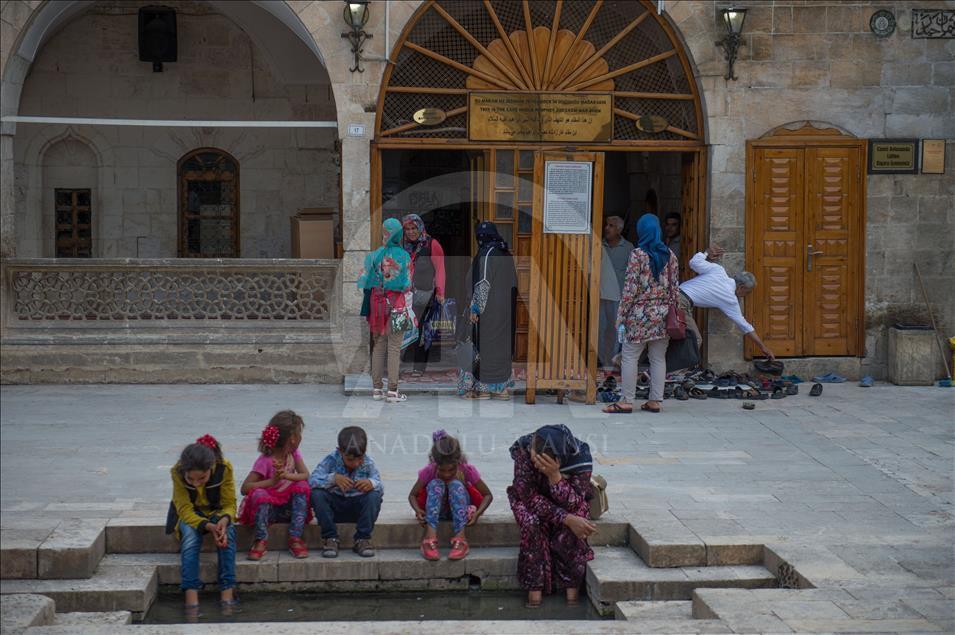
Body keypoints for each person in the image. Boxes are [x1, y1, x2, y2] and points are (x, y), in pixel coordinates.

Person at [508, 425, 596, 608]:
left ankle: (572, 595)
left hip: (566, 498)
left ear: (558, 460)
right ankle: (534, 593)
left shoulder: (580, 457)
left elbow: (574, 502)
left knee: (572, 529)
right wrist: (566, 518)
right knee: (532, 523)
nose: (536, 465)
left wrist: (555, 477)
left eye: (544, 463)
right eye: (535, 458)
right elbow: (528, 496)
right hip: (528, 501)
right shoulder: (523, 451)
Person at [604, 214, 679, 414]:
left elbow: (630, 289)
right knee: (658, 358)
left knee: (629, 356)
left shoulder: (638, 254)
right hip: (663, 315)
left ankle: (627, 400)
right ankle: (655, 401)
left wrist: (621, 315)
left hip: (639, 314)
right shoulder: (670, 255)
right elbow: (675, 288)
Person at [166, 435, 236, 614]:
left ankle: (227, 595)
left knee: (228, 536)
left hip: (216, 512)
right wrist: (207, 526)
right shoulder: (177, 471)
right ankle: (191, 598)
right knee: (190, 539)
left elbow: (229, 503)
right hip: (191, 515)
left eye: (202, 478)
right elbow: (184, 509)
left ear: (211, 468)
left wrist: (224, 520)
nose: (196, 484)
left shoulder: (224, 468)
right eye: (191, 479)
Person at [679, 244, 775, 360]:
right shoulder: (730, 299)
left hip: (673, 294)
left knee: (672, 336)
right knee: (695, 339)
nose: (745, 296)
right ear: (741, 287)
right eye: (747, 292)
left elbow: (693, 263)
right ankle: (675, 373)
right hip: (681, 303)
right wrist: (763, 347)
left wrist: (706, 253)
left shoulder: (718, 270)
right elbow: (745, 326)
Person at [409, 430, 493, 561]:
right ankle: (429, 538)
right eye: (442, 470)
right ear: (434, 462)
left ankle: (461, 539)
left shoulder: (466, 470)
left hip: (461, 512)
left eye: (451, 470)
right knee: (436, 484)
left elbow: (487, 495)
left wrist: (477, 514)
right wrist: (418, 510)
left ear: (458, 462)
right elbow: (412, 495)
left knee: (455, 484)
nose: (447, 474)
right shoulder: (429, 471)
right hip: (437, 512)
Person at [238, 410, 312, 561]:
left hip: (288, 509)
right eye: (299, 433)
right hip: (268, 511)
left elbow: (305, 475)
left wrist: (287, 476)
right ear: (292, 438)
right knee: (259, 494)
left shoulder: (294, 454)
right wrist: (272, 482)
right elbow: (245, 488)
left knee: (303, 486)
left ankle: (295, 537)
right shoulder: (265, 460)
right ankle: (261, 540)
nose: (300, 437)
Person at [459, 221, 518, 400]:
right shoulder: (505, 252)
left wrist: (476, 309)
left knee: (486, 346)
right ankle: (501, 389)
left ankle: (485, 389)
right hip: (506, 310)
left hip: (489, 311)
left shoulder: (487, 254)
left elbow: (483, 283)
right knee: (502, 346)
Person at [358, 218, 413, 403]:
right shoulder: (404, 256)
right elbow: (406, 285)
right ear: (399, 234)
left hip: (376, 305)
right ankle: (393, 391)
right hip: (396, 305)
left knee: (379, 345)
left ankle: (376, 389)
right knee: (394, 347)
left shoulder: (373, 256)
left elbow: (363, 281)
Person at [309, 426, 383, 558]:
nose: (355, 463)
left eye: (359, 459)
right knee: (317, 494)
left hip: (358, 509)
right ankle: (330, 538)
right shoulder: (331, 460)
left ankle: (362, 539)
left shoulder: (369, 463)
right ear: (340, 451)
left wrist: (371, 483)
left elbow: (380, 485)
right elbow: (312, 480)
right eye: (350, 459)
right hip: (334, 507)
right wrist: (333, 479)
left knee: (374, 496)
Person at [402, 214, 447, 378]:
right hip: (406, 295)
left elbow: (440, 269)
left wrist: (440, 291)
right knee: (408, 328)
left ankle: (418, 367)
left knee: (421, 330)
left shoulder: (432, 244)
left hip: (425, 294)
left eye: (414, 228)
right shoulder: (404, 245)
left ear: (420, 227)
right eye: (407, 229)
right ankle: (404, 363)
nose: (411, 232)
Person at [598, 215, 634, 371]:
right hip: (600, 295)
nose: (607, 228)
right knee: (600, 329)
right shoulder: (599, 246)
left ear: (619, 230)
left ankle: (612, 361)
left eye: (611, 225)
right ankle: (600, 360)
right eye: (607, 225)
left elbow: (633, 273)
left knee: (616, 330)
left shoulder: (628, 248)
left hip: (619, 297)